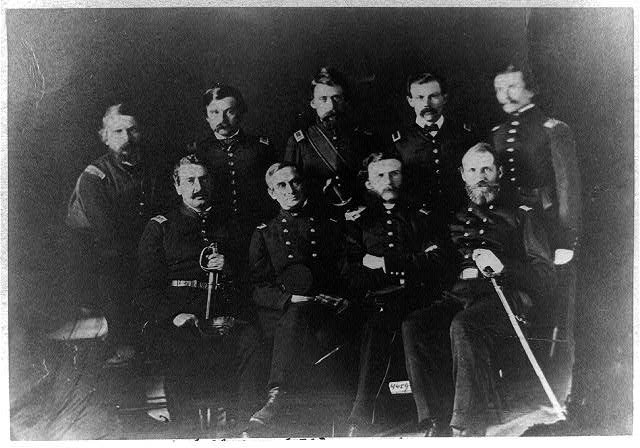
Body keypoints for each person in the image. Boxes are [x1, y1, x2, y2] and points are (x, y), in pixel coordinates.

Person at [402, 143, 555, 436]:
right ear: (462, 175)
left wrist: (503, 266)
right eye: (472, 170)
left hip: (506, 301)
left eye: (486, 169)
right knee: (415, 326)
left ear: (499, 171)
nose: (480, 176)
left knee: (464, 325)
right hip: (460, 297)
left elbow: (545, 276)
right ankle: (435, 419)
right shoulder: (456, 218)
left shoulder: (522, 215)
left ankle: (465, 426)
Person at [137, 154, 262, 430]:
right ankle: (187, 433)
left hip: (223, 315)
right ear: (177, 186)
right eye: (190, 180)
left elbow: (251, 278)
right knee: (179, 346)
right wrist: (175, 315)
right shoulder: (160, 226)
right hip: (178, 318)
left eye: (204, 180)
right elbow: (146, 288)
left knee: (251, 340)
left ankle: (246, 430)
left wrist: (228, 268)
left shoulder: (232, 226)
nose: (198, 187)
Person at [342, 150, 453, 436]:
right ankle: (360, 417)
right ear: (368, 184)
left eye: (394, 173)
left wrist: (382, 262)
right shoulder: (359, 222)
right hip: (377, 299)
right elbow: (350, 269)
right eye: (379, 176)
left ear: (403, 177)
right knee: (375, 327)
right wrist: (412, 259)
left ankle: (431, 418)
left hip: (420, 296)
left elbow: (438, 261)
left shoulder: (422, 215)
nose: (388, 181)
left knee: (411, 325)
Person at [245, 162, 349, 434]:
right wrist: (289, 299)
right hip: (283, 314)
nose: (291, 190)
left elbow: (345, 271)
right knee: (296, 314)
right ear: (271, 193)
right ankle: (277, 395)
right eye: (281, 185)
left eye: (295, 182)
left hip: (325, 308)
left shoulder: (329, 225)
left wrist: (344, 297)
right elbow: (258, 287)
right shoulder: (264, 233)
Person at [65, 102, 159, 364]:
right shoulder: (94, 177)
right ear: (105, 137)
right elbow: (107, 235)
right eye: (118, 132)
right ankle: (123, 343)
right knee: (116, 264)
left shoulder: (151, 170)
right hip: (101, 259)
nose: (127, 139)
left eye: (133, 131)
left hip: (141, 250)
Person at [190, 84, 276, 295]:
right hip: (215, 235)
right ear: (206, 117)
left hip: (258, 234)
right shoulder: (197, 151)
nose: (222, 119)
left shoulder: (261, 147)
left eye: (229, 111)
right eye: (214, 112)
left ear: (240, 112)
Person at [492, 63, 581, 261]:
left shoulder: (553, 129)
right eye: (499, 89)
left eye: (512, 87)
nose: (505, 96)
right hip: (510, 225)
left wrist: (566, 240)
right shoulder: (497, 134)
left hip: (546, 223)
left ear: (531, 90)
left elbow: (568, 189)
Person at [284, 67, 374, 213]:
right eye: (323, 99)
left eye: (336, 98)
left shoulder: (363, 137)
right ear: (313, 103)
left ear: (345, 100)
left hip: (361, 215)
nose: (331, 106)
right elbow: (291, 185)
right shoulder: (299, 142)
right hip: (319, 218)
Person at [391, 72, 475, 218]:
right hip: (418, 219)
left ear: (444, 98)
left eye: (433, 96)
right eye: (420, 97)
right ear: (410, 101)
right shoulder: (399, 141)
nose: (427, 103)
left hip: (461, 215)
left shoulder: (464, 134)